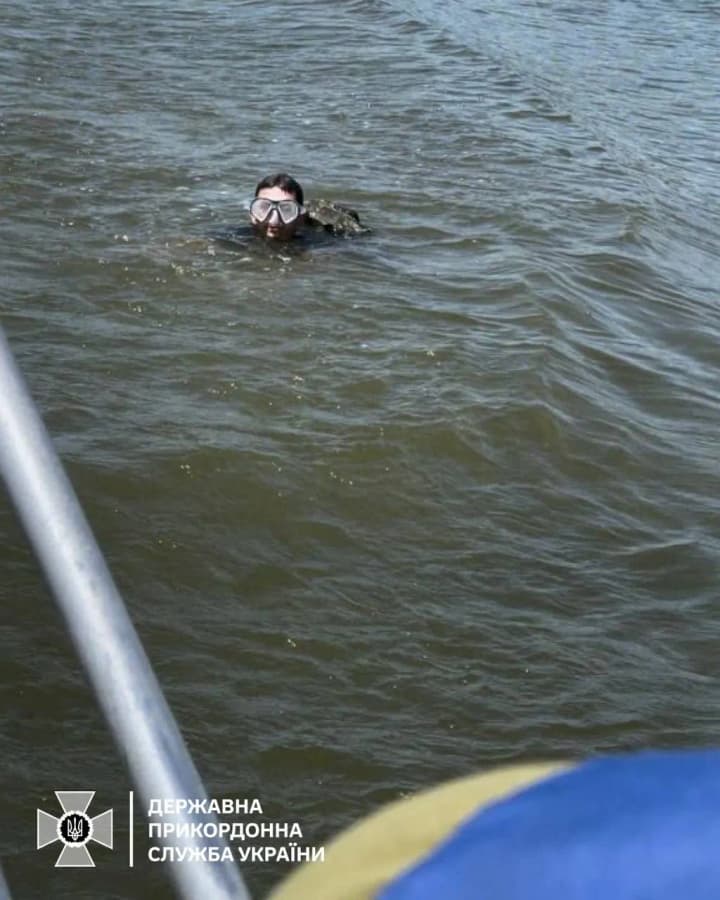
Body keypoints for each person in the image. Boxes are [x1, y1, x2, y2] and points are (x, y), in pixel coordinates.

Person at [250, 172, 306, 242]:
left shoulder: (317, 247)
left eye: (286, 209)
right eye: (265, 207)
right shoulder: (235, 238)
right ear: (252, 215)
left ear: (301, 219)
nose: (273, 222)